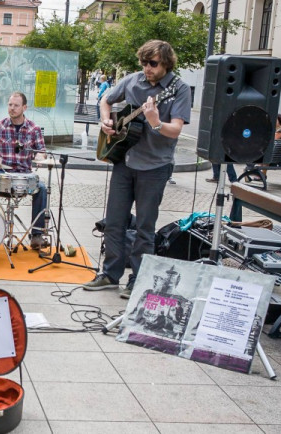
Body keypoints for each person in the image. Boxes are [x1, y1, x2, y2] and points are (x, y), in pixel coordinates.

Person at [82, 40, 191, 299]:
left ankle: (137, 279)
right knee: (114, 222)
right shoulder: (132, 81)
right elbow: (106, 100)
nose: (147, 68)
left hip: (155, 165)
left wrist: (155, 122)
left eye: (152, 64)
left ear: (166, 63)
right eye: (143, 62)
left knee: (145, 226)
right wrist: (106, 120)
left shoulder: (179, 89)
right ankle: (110, 275)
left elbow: (176, 129)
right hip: (124, 161)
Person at [0, 92, 49, 250]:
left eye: (16, 105)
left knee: (42, 188)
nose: (12, 108)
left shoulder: (34, 129)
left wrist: (40, 156)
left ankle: (37, 235)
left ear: (24, 107)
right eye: (10, 105)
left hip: (24, 173)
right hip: (1, 172)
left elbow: (42, 151)